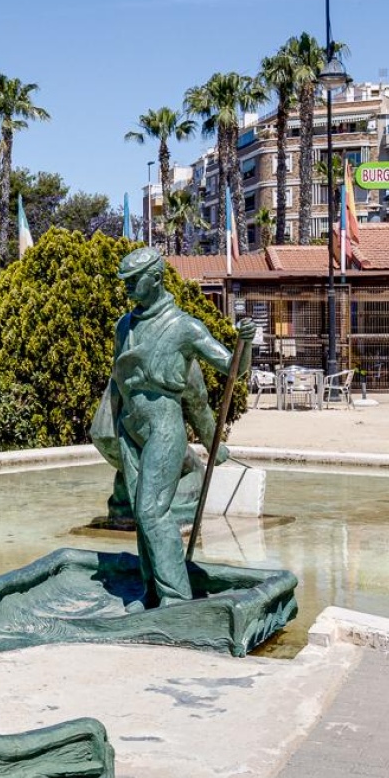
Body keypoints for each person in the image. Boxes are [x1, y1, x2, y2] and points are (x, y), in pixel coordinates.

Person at [105, 247, 253, 605]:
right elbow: (118, 379)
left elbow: (235, 366)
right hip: (130, 427)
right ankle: (151, 590)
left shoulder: (185, 327)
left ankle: (176, 598)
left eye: (133, 282)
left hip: (164, 426)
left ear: (155, 279)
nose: (126, 289)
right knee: (140, 517)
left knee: (152, 510)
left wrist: (245, 342)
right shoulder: (124, 326)